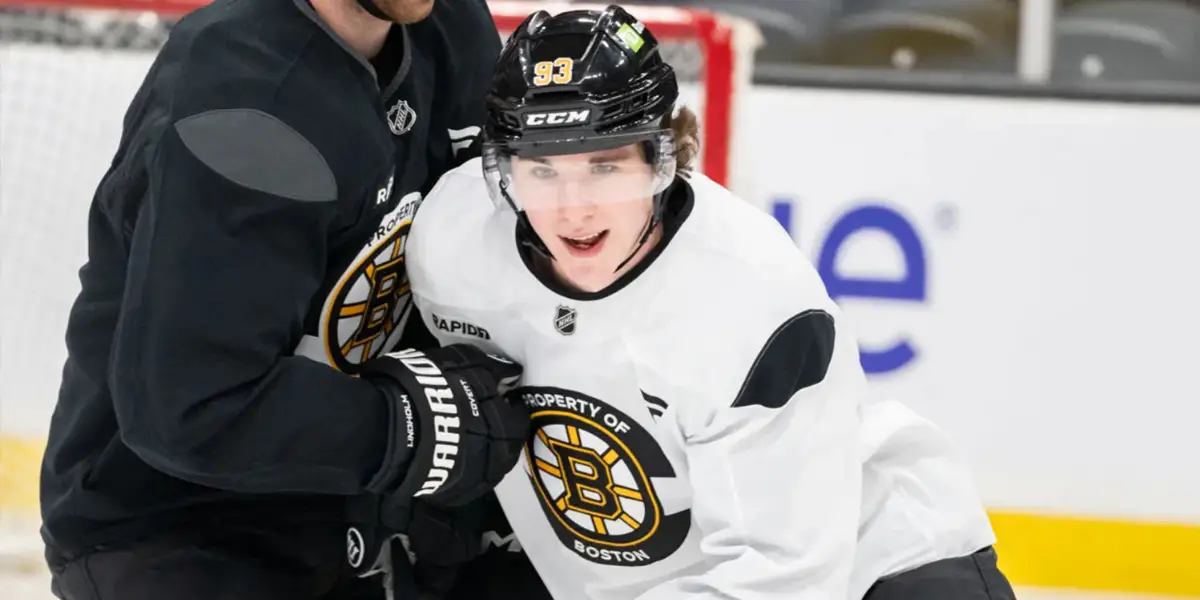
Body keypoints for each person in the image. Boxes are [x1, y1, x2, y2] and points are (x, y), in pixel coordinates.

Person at [403, 6, 1020, 600]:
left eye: (605, 168)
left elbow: (781, 579)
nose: (573, 209)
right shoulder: (452, 245)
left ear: (662, 158)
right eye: (543, 171)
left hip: (874, 567)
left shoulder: (747, 297)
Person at [39, 0, 531, 598]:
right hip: (174, 529)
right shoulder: (247, 89)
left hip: (341, 502)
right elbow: (193, 408)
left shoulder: (445, 27)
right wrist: (411, 426)